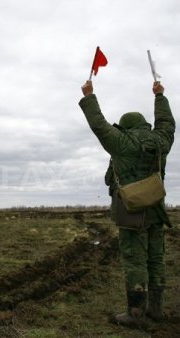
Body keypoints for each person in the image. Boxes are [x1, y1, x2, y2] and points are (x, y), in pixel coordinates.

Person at [79, 80, 175, 326]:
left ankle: (135, 314)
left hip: (132, 212)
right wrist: (160, 96)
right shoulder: (160, 142)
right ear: (143, 124)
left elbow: (99, 125)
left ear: (125, 127)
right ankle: (156, 309)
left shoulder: (122, 143)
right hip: (156, 210)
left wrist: (89, 97)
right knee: (155, 258)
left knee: (135, 260)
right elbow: (167, 124)